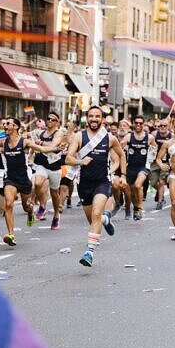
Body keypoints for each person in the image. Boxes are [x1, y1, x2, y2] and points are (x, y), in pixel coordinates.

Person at [0, 118, 59, 247]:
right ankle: (11, 234)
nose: (5, 126)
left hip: (23, 179)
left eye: (8, 124)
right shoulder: (3, 142)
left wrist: (56, 148)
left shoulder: (25, 142)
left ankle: (30, 212)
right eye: (5, 124)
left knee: (26, 206)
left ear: (16, 127)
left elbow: (42, 149)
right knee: (8, 204)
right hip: (10, 179)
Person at [63, 107, 126, 266]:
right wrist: (80, 161)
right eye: (91, 116)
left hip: (102, 182)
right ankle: (106, 219)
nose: (94, 119)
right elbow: (68, 159)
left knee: (96, 213)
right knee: (94, 219)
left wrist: (122, 174)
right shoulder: (79, 136)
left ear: (102, 119)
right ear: (87, 118)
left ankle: (89, 252)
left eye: (97, 116)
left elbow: (121, 155)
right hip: (84, 184)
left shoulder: (110, 138)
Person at [124, 115, 156, 221]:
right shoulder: (129, 137)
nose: (138, 125)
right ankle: (135, 208)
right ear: (133, 123)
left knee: (138, 186)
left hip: (143, 166)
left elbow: (156, 149)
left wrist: (152, 151)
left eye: (140, 123)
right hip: (131, 167)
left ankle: (140, 207)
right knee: (132, 191)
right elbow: (119, 147)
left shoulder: (149, 137)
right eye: (136, 123)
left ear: (143, 124)